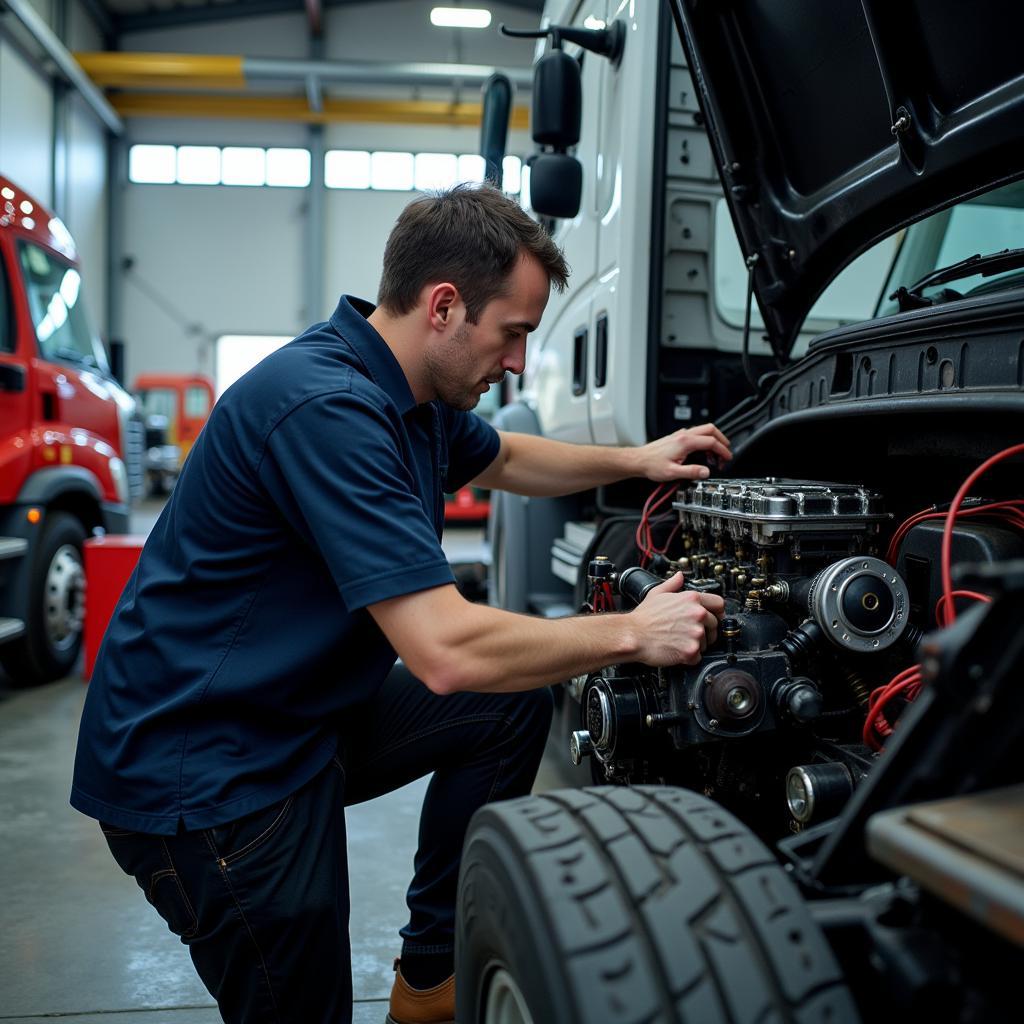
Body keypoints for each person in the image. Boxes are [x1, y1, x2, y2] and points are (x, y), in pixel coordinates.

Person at [71, 184, 731, 1024]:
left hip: (289, 716)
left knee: (509, 703)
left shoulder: (408, 392)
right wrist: (633, 633)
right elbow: (445, 652)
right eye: (515, 334)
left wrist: (638, 460)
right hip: (205, 771)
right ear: (445, 307)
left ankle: (428, 985)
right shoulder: (330, 408)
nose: (520, 363)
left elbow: (508, 459)